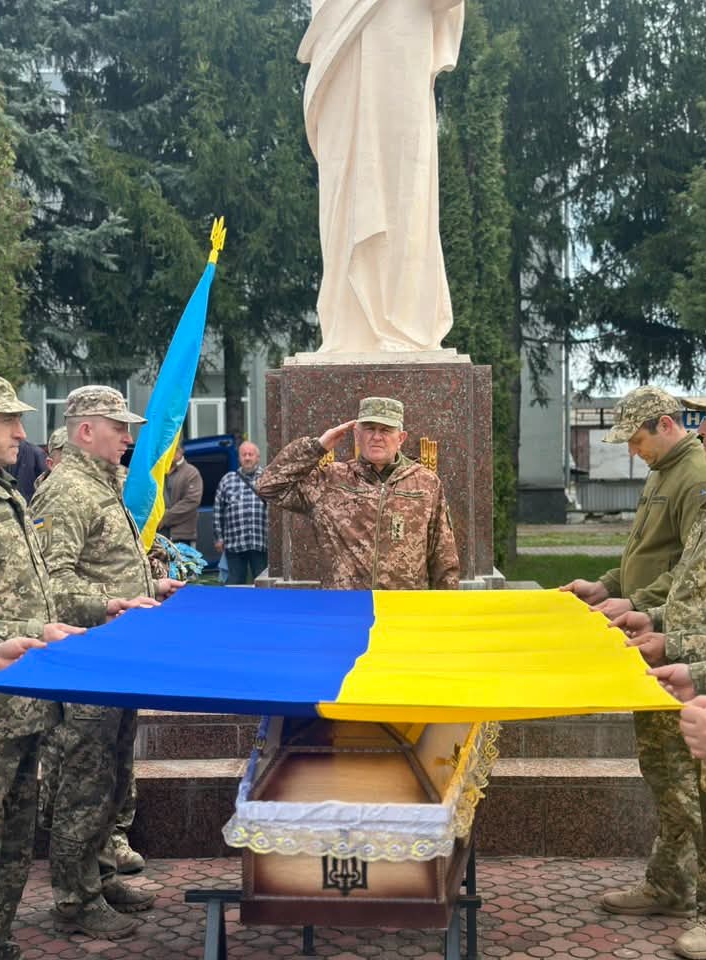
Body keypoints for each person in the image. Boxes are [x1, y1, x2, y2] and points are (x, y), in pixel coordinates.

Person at [31, 385, 183, 940]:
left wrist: (150, 586)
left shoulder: (102, 484)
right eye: (119, 428)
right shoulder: (67, 490)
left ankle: (99, 877)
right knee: (84, 784)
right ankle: (75, 900)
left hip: (114, 661)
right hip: (85, 664)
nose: (128, 438)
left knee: (112, 776)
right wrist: (112, 603)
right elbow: (49, 586)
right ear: (85, 430)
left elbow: (104, 563)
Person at [560, 386, 706, 924]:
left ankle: (697, 900)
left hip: (684, 644)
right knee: (664, 773)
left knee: (685, 782)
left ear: (666, 424)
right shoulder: (665, 471)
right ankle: (669, 884)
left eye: (637, 439)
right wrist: (607, 587)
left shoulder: (695, 476)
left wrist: (641, 605)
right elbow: (647, 556)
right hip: (663, 641)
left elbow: (693, 575)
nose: (632, 450)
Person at [297, 0, 465, 352]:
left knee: (401, 182)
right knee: (346, 174)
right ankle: (348, 326)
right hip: (341, 32)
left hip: (403, 29)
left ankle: (403, 320)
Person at [0, 374, 88, 960]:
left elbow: (18, 591)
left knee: (15, 840)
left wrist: (45, 627)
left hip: (20, 706)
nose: (21, 434)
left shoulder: (7, 493)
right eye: (7, 420)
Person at [257, 396, 459, 589]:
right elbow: (268, 486)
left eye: (386, 430)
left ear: (401, 438)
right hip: (347, 606)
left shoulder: (426, 483)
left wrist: (445, 608)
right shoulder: (330, 480)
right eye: (369, 429)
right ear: (356, 435)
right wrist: (317, 447)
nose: (377, 437)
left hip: (401, 607)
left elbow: (444, 556)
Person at [213, 441, 267, 585]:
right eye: (244, 455)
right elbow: (218, 510)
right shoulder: (227, 480)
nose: (247, 458)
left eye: (250, 454)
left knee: (263, 584)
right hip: (234, 542)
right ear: (239, 458)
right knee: (235, 584)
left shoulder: (267, 478)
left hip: (261, 541)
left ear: (258, 457)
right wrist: (219, 538)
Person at [159, 444, 203, 547]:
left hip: (183, 538)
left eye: (176, 449)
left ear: (182, 451)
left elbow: (191, 502)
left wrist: (164, 519)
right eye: (169, 448)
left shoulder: (191, 473)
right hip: (160, 536)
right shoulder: (159, 471)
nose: (172, 452)